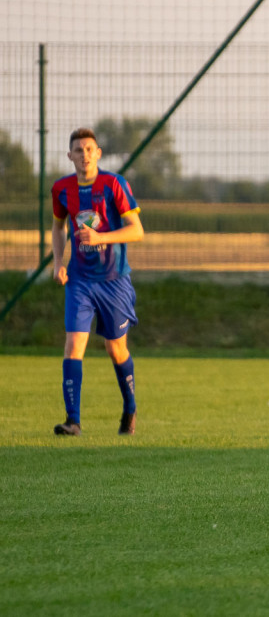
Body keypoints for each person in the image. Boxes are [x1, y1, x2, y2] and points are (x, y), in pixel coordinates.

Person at [51, 127, 145, 436]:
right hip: (79, 280)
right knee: (74, 344)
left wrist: (100, 237)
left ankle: (130, 408)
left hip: (114, 280)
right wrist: (58, 263)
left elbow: (137, 230)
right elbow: (58, 227)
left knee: (115, 349)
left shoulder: (114, 184)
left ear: (98, 153)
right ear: (70, 156)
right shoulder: (61, 189)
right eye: (78, 150)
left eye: (89, 149)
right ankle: (73, 421)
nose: (85, 155)